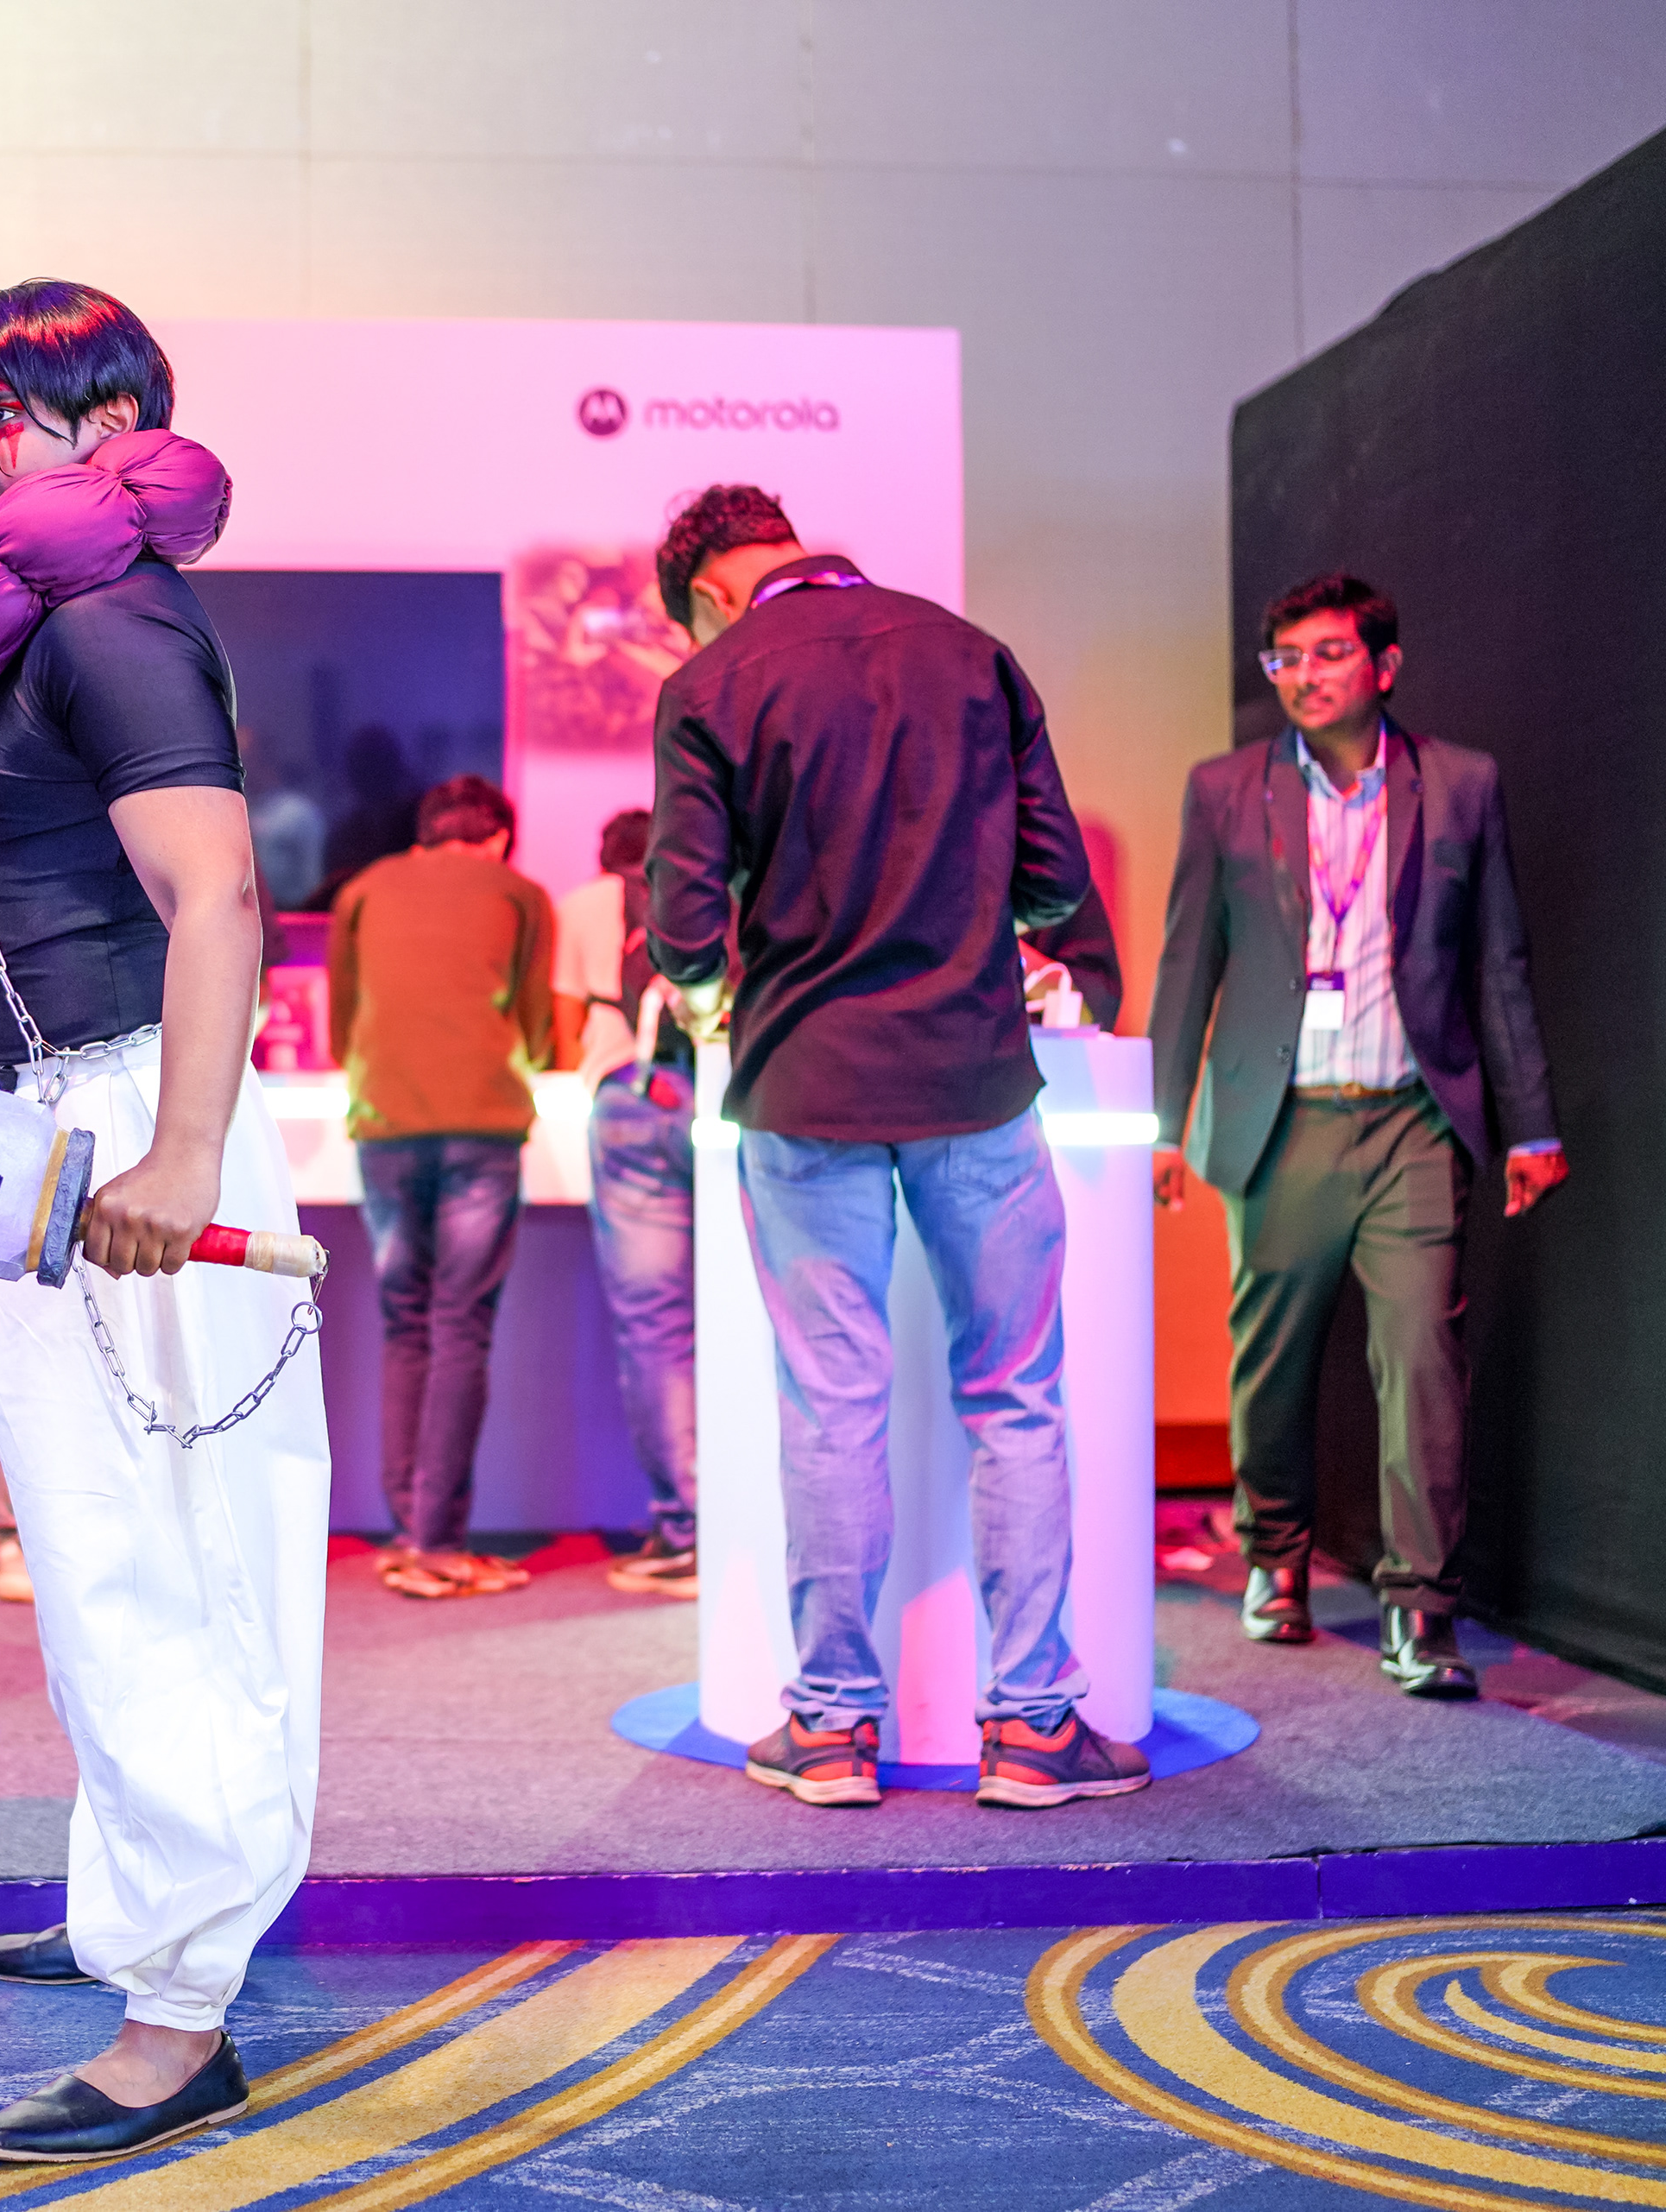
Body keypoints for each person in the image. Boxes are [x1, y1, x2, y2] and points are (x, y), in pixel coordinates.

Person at [0, 281, 326, 2167]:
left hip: (139, 1119)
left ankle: (180, 2013)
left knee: (169, 1567)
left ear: (118, 419)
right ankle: (133, 1896)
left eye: (21, 410)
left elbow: (217, 895)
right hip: (70, 1117)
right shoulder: (34, 615)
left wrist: (184, 1154)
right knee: (91, 1549)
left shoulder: (112, 613)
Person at [647, 483, 1144, 1813]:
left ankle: (829, 1727)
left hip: (801, 1089)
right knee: (1016, 1392)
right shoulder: (972, 652)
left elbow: (683, 933)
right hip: (974, 1074)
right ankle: (1033, 1726)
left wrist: (717, 984)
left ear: (714, 592)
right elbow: (1055, 880)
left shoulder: (709, 685)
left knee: (832, 1403)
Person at [1146, 572, 1565, 1699]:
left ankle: (1421, 1611)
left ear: (1384, 665)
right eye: (1285, 658)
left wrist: (1532, 1125)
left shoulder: (1461, 784)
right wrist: (1161, 1123)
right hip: (1280, 1121)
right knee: (1272, 1360)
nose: (1304, 675)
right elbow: (1189, 961)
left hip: (1414, 1121)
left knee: (1423, 1359)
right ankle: (1275, 1556)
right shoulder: (1226, 789)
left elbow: (1499, 961)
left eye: (1328, 653)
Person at [327, 774, 555, 1600]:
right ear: (498, 837)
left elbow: (341, 1032)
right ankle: (440, 1545)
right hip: (481, 1129)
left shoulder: (361, 890)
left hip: (384, 1125)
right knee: (461, 1326)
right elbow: (538, 1031)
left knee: (406, 1323)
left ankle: (407, 1532)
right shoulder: (522, 894)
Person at [552, 806, 701, 1597]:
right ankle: (755, 1522)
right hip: (723, 1102)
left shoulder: (581, 906)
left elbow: (561, 1024)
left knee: (656, 1328)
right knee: (762, 1312)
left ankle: (685, 1531)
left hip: (628, 1105)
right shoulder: (716, 891)